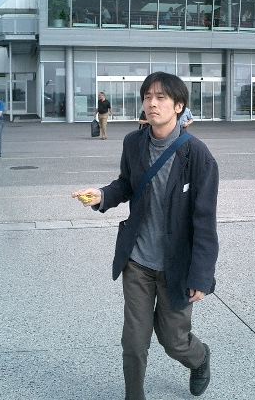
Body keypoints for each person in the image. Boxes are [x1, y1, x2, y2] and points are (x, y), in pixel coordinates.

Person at [72, 72, 219, 399]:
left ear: (178, 106)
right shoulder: (133, 143)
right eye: (148, 97)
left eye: (161, 97)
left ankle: (199, 358)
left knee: (173, 340)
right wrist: (102, 195)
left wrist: (202, 276)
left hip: (176, 267)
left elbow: (205, 222)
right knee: (134, 341)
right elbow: (126, 184)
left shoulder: (198, 155)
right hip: (137, 261)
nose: (152, 103)